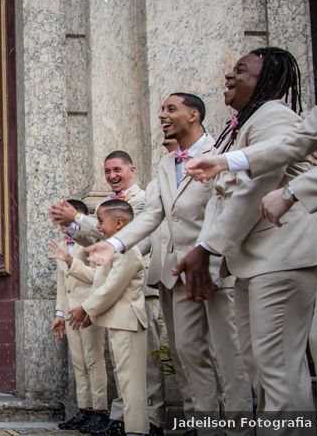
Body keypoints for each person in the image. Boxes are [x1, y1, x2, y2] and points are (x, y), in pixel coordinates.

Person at [160, 48, 317, 417]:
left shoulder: (274, 116)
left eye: (241, 71)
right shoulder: (247, 122)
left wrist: (207, 247)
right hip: (256, 260)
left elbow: (254, 189)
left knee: (278, 369)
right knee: (261, 365)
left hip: (283, 255)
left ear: (266, 80)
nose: (229, 77)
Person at [86, 94, 252, 433]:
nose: (162, 114)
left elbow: (231, 209)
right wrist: (115, 244)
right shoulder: (165, 165)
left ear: (193, 115)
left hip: (215, 269)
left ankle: (239, 427)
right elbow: (153, 216)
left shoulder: (218, 153)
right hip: (178, 276)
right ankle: (203, 424)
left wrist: (209, 250)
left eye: (170, 109)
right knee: (187, 352)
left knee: (227, 355)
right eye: (162, 109)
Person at [49, 152, 164, 436]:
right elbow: (98, 247)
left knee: (146, 367)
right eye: (107, 170)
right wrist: (75, 228)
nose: (112, 175)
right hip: (112, 307)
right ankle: (123, 418)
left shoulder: (142, 201)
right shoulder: (108, 220)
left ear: (132, 169)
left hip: (140, 295)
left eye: (117, 169)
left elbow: (128, 242)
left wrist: (87, 309)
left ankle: (150, 421)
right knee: (124, 373)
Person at [68, 200, 147, 436]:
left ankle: (136, 430)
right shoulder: (114, 249)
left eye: (101, 221)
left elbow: (111, 288)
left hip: (128, 322)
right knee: (124, 381)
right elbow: (99, 280)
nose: (98, 226)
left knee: (131, 384)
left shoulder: (129, 250)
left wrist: (86, 309)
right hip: (117, 322)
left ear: (120, 223)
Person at [48, 199, 109, 433]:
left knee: (94, 360)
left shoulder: (91, 244)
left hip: (88, 310)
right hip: (70, 311)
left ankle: (100, 410)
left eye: (67, 221)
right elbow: (62, 284)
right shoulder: (63, 246)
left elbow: (97, 277)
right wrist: (59, 313)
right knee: (78, 362)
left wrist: (69, 259)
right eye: (61, 223)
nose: (63, 228)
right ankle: (84, 409)